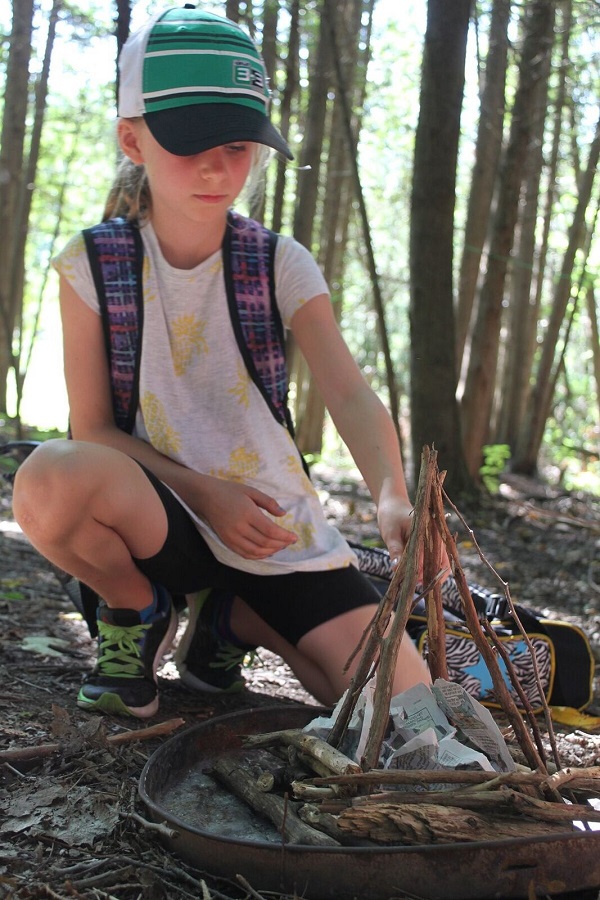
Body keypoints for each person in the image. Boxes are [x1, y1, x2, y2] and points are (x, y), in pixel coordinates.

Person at [12, 5, 433, 719]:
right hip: (163, 521)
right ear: (132, 139)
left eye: (238, 146)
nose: (216, 166)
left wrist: (394, 492)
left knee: (401, 718)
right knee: (50, 476)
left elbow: (350, 394)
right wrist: (206, 494)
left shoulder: (278, 262)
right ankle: (134, 610)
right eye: (191, 142)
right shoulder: (92, 263)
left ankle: (229, 619)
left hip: (277, 532)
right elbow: (93, 430)